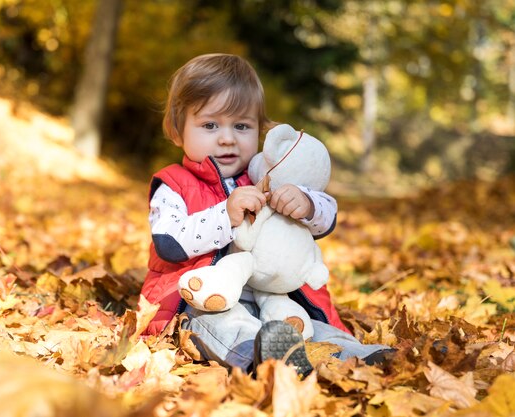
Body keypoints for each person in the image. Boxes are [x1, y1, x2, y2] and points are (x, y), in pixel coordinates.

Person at [140, 53, 390, 375]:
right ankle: (260, 356)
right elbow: (169, 242)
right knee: (219, 323)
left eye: (241, 126)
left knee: (308, 324)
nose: (227, 138)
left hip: (273, 295)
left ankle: (360, 357)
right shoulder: (173, 184)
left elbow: (326, 218)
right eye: (210, 125)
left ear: (259, 130)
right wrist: (224, 216)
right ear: (178, 131)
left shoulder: (267, 174)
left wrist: (307, 203)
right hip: (205, 298)